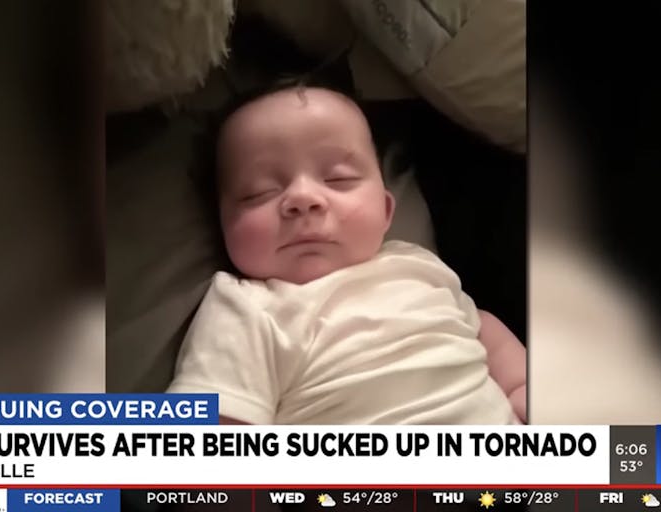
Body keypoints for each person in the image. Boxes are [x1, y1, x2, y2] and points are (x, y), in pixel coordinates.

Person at [167, 86, 526, 425]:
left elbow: (480, 326)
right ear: (222, 224)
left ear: (386, 211)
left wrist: (518, 384)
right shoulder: (244, 308)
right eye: (259, 192)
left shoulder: (418, 264)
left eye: (338, 179)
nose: (303, 198)